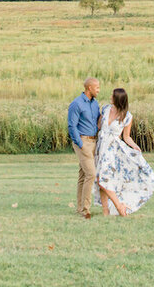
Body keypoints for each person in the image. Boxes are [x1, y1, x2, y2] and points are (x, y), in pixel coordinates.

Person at [95, 87, 154, 216]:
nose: (110, 97)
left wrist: (135, 147)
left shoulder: (127, 116)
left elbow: (126, 137)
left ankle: (119, 207)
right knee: (100, 179)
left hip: (112, 150)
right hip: (100, 147)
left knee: (103, 179)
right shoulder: (105, 109)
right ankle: (105, 211)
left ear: (118, 99)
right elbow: (99, 126)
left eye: (112, 96)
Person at [67, 77, 101, 219]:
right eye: (97, 87)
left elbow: (98, 120)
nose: (99, 90)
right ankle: (85, 209)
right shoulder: (76, 104)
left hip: (94, 141)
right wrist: (80, 144)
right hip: (83, 142)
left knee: (83, 175)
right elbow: (72, 125)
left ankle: (80, 207)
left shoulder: (95, 104)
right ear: (89, 88)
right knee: (91, 174)